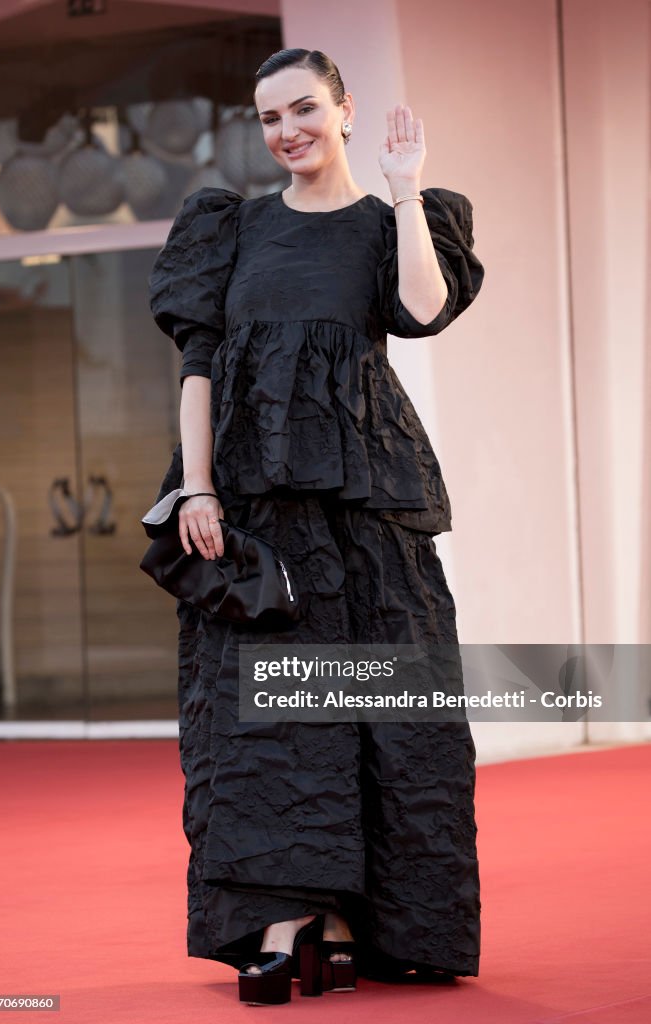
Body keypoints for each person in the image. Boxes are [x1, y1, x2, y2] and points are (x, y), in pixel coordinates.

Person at [148, 47, 485, 1006]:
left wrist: (405, 189)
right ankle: (284, 922)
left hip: (366, 499)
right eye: (269, 118)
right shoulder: (231, 226)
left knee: (385, 707)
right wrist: (197, 490)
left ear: (343, 110)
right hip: (255, 501)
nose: (286, 130)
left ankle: (348, 923)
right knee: (263, 715)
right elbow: (199, 366)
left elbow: (421, 310)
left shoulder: (393, 221)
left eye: (302, 109)